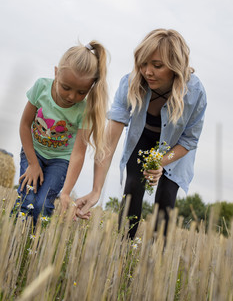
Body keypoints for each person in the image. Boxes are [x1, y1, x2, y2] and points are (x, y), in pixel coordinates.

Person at [66, 29, 207, 239]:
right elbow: (109, 143)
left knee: (166, 199)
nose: (147, 71)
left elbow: (189, 140)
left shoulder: (195, 93)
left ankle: (157, 258)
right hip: (143, 139)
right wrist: (96, 190)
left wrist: (161, 162)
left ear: (175, 66)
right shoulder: (130, 83)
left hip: (176, 149)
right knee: (132, 186)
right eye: (143, 63)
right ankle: (124, 248)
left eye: (157, 66)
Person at [13, 41, 108, 225]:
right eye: (66, 87)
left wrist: (66, 192)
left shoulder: (85, 109)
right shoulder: (41, 87)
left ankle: (36, 244)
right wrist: (33, 163)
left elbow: (78, 153)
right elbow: (25, 125)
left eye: (81, 92)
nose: (72, 96)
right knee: (27, 200)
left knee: (42, 205)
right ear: (56, 73)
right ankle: (14, 237)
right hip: (34, 152)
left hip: (60, 161)